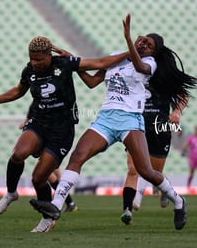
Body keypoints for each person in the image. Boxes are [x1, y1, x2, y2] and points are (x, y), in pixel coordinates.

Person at [30, 14, 187, 230]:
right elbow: (93, 82)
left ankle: (178, 201)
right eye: (142, 39)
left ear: (153, 53)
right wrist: (72, 62)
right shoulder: (116, 57)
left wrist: (128, 39)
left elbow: (140, 67)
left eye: (148, 45)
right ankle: (56, 205)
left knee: (145, 171)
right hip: (105, 119)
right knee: (77, 157)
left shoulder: (149, 63)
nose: (142, 44)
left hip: (130, 120)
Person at [0, 36, 129, 232]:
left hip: (62, 129)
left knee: (39, 178)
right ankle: (11, 193)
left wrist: (131, 52)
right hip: (39, 122)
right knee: (17, 154)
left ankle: (47, 219)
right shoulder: (29, 70)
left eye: (39, 59)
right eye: (32, 59)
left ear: (49, 55)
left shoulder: (64, 64)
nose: (34, 63)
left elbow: (99, 63)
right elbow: (18, 91)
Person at [123, 34, 197, 223]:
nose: (143, 46)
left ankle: (166, 191)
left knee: (153, 172)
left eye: (148, 45)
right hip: (137, 123)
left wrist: (176, 113)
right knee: (133, 168)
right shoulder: (131, 66)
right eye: (142, 43)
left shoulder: (162, 71)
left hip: (159, 126)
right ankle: (129, 207)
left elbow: (183, 94)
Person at [18, 118, 78, 212]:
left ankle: (53, 204)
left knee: (48, 176)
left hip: (53, 148)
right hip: (49, 149)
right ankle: (69, 203)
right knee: (55, 178)